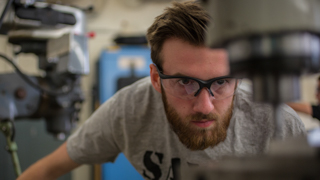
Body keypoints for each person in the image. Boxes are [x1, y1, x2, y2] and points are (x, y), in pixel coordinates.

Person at [17, 1, 306, 180]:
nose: (204, 105)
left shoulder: (276, 122)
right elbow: (46, 170)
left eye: (220, 82)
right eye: (185, 82)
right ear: (155, 78)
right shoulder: (129, 109)